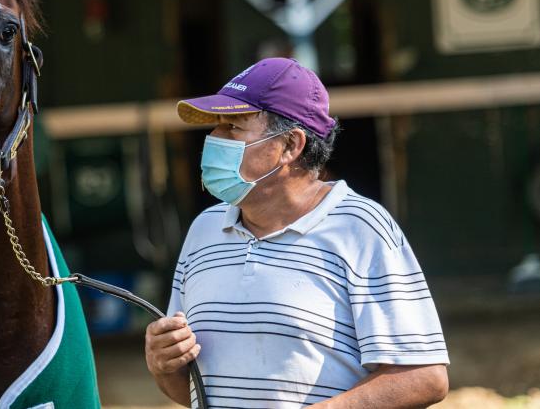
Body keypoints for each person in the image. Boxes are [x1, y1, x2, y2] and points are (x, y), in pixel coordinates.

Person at [145, 58, 449, 408]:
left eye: (233, 127)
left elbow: (424, 376)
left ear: (290, 145)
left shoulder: (360, 227)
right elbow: (194, 389)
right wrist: (163, 365)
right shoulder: (204, 229)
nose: (214, 139)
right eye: (217, 127)